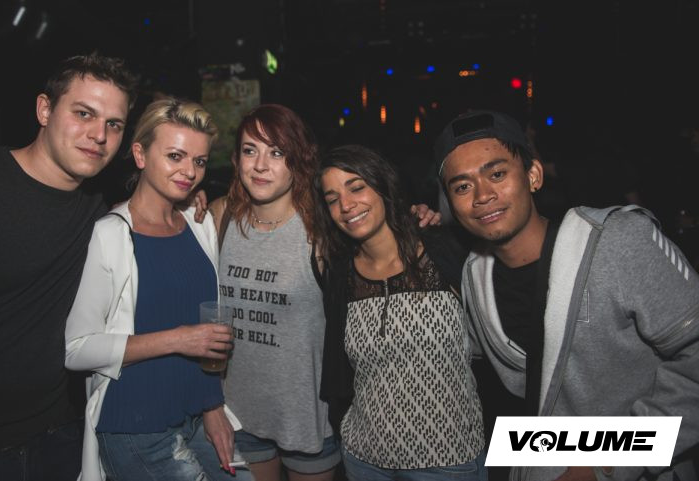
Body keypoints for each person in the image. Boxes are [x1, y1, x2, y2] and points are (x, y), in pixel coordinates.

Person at [434, 109, 699, 481]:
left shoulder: (617, 241)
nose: (482, 196)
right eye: (462, 187)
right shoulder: (474, 276)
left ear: (533, 175)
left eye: (497, 174)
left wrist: (605, 464)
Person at [208, 105, 439, 481]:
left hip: (308, 419)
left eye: (277, 152)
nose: (261, 165)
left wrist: (420, 220)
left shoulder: (324, 228)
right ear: (236, 159)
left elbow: (380, 234)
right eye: (250, 150)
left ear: (298, 160)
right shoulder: (221, 217)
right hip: (237, 415)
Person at [64, 98, 252, 481]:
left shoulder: (199, 224)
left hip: (196, 413)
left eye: (199, 161)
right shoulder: (111, 234)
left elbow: (209, 331)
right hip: (136, 426)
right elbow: (76, 349)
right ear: (140, 154)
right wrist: (179, 339)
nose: (190, 172)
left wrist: (213, 406)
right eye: (175, 156)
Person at [0, 53, 138, 480]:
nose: (99, 135)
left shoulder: (99, 207)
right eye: (83, 114)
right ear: (44, 110)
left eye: (114, 124)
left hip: (60, 433)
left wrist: (186, 197)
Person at [315, 145, 487, 481]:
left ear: (383, 186)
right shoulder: (340, 273)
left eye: (356, 187)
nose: (346, 205)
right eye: (332, 199)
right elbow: (340, 372)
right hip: (364, 460)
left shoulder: (444, 251)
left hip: (448, 461)